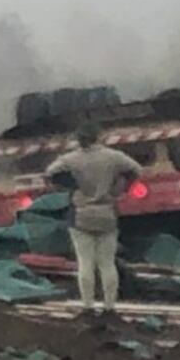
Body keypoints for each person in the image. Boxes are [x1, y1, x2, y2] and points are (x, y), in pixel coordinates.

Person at [46, 122, 142, 318]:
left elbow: (50, 172)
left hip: (81, 215)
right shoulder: (113, 157)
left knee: (85, 263)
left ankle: (88, 306)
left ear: (79, 139)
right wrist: (122, 188)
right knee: (107, 264)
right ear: (99, 136)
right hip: (107, 213)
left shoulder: (71, 159)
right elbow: (136, 169)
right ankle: (110, 307)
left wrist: (71, 186)